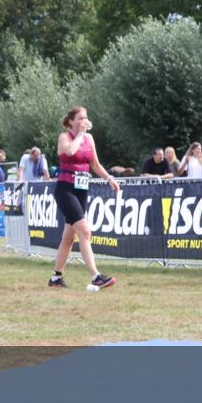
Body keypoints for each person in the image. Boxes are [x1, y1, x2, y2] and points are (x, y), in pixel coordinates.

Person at [49, 107, 119, 291]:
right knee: (85, 231)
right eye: (80, 118)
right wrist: (80, 134)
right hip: (65, 189)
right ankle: (96, 276)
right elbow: (70, 152)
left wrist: (109, 178)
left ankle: (56, 277)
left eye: (86, 117)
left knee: (69, 238)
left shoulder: (89, 139)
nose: (84, 121)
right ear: (72, 121)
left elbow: (95, 164)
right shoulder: (65, 137)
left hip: (81, 190)